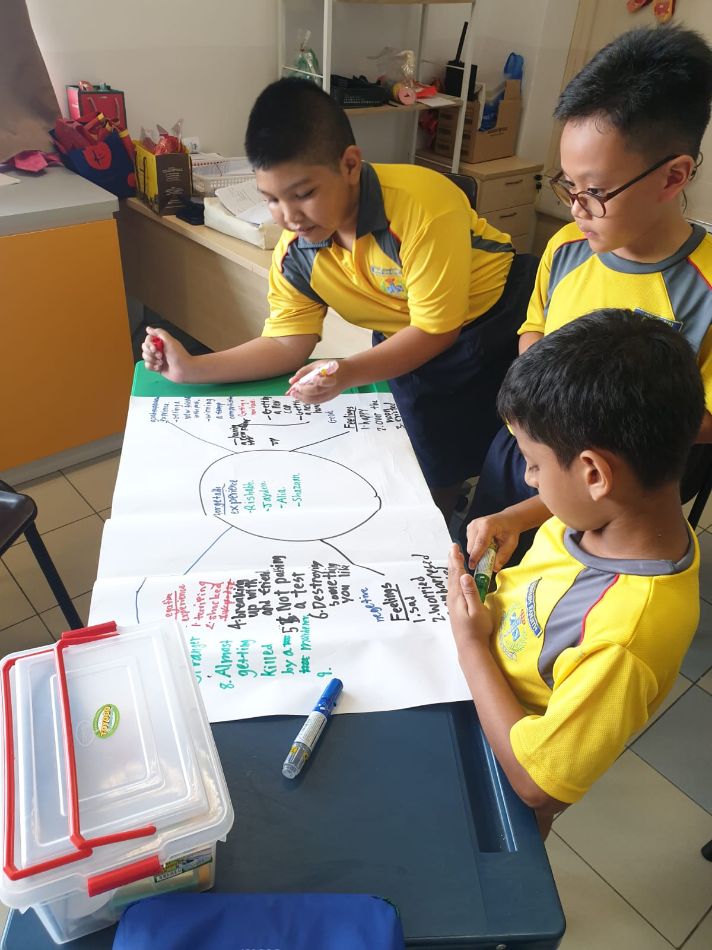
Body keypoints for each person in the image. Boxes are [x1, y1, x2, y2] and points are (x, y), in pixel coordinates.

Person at [142, 78, 537, 518]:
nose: (289, 217)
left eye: (304, 194)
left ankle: (466, 523)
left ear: (350, 164)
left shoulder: (422, 205)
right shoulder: (296, 252)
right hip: (407, 337)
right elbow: (287, 343)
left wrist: (346, 372)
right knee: (424, 462)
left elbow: (436, 330)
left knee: (517, 454)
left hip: (499, 319)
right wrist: (193, 368)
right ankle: (442, 512)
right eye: (271, 200)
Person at [463, 25, 712, 571]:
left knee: (556, 599)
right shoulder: (567, 247)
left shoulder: (704, 285)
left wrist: (579, 430)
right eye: (568, 185)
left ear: (673, 177)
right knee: (485, 562)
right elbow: (534, 330)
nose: (575, 208)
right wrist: (540, 429)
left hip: (613, 492)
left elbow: (700, 419)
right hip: (526, 452)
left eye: (595, 192)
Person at [447, 310, 703, 838]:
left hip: (499, 755)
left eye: (534, 464)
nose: (528, 478)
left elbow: (537, 785)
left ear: (593, 473)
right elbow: (583, 497)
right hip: (479, 671)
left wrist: (470, 644)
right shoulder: (629, 514)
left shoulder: (623, 640)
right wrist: (515, 516)